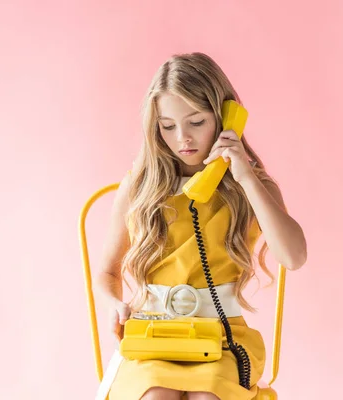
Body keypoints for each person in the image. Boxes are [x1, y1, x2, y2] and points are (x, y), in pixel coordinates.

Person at [97, 52, 307, 400]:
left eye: (196, 122)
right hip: (154, 335)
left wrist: (244, 177)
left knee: (208, 397)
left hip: (221, 338)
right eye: (168, 126)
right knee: (155, 396)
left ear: (225, 117)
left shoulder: (249, 188)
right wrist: (114, 304)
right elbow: (106, 272)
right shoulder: (140, 186)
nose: (183, 139)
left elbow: (294, 257)